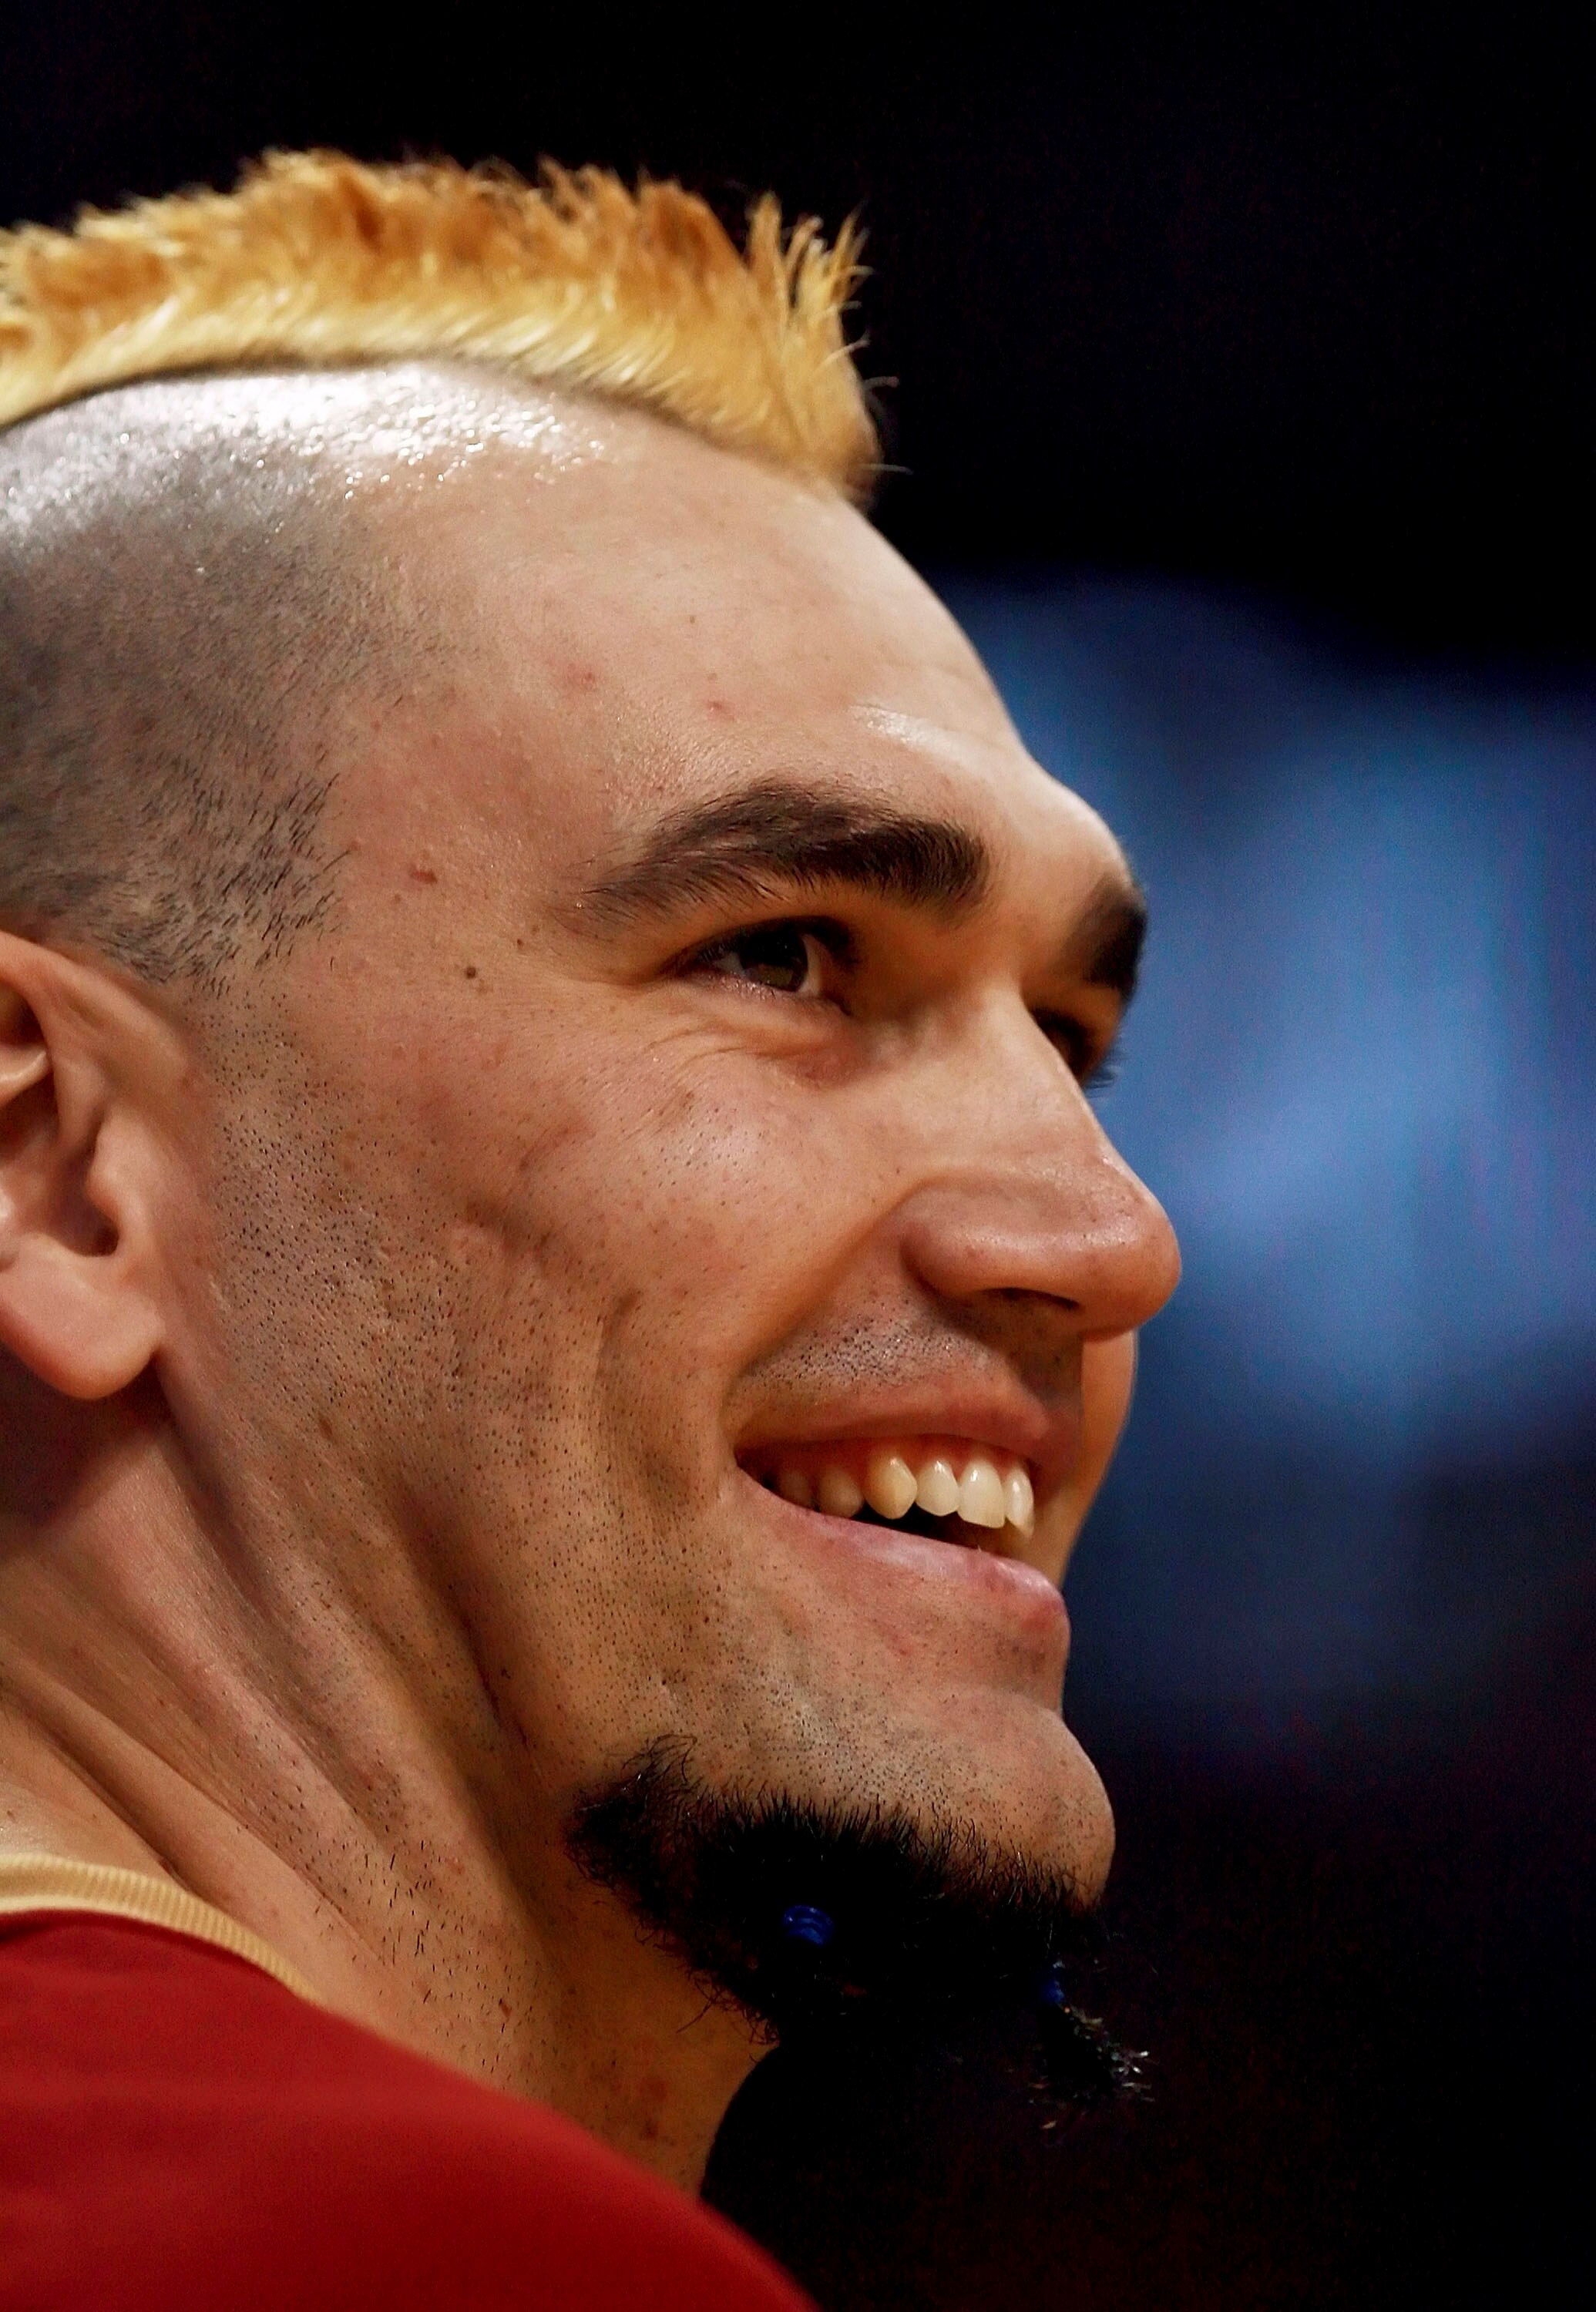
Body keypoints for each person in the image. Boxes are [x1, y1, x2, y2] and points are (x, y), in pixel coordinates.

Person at [0, 152, 1180, 2307]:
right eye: (788, 958)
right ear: (47, 1163)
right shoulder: (385, 2257)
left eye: (1076, 1039)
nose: (1104, 1245)